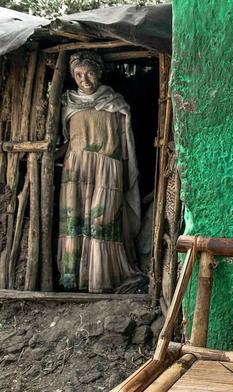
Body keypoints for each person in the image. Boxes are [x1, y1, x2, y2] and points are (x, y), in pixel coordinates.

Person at [57, 51, 141, 293]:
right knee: (76, 220)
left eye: (90, 73)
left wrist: (125, 167)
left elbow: (126, 141)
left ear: (100, 73)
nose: (84, 79)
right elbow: (64, 140)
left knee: (102, 219)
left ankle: (102, 277)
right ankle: (75, 278)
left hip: (107, 170)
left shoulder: (115, 102)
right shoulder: (67, 103)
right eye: (79, 74)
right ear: (72, 76)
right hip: (77, 171)